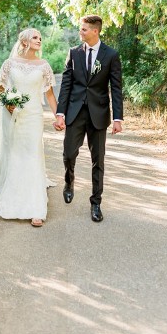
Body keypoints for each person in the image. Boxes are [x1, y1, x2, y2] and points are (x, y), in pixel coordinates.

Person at [0, 28, 58, 227]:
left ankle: (36, 208)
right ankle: (10, 194)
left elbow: (49, 94)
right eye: (35, 37)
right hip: (12, 115)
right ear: (24, 41)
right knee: (14, 153)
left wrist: (59, 116)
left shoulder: (44, 66)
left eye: (40, 38)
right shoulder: (10, 64)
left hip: (33, 116)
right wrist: (8, 103)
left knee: (32, 154)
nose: (39, 40)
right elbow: (0, 87)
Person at [54, 15, 123, 222]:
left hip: (99, 114)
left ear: (95, 31)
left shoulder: (111, 55)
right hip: (75, 112)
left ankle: (96, 203)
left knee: (98, 161)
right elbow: (66, 84)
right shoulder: (74, 53)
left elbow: (116, 88)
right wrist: (60, 113)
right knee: (68, 153)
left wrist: (118, 117)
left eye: (84, 29)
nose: (80, 32)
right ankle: (69, 181)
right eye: (80, 29)